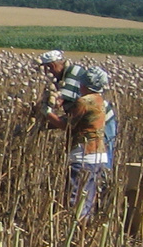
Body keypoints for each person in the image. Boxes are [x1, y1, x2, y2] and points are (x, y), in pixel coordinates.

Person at [45, 71, 111, 219]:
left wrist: (47, 113)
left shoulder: (85, 101)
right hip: (99, 155)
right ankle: (84, 230)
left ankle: (74, 229)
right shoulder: (100, 100)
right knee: (88, 199)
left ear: (85, 84)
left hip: (84, 155)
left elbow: (67, 125)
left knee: (75, 199)